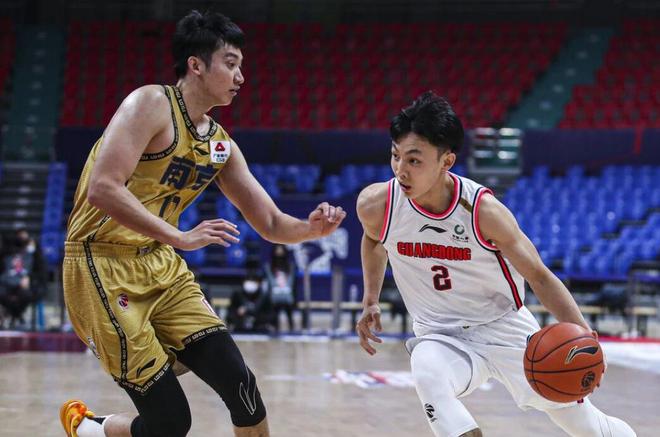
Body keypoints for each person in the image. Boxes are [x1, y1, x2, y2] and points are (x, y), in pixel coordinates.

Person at [59, 10, 346, 437]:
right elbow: (103, 187)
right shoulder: (150, 104)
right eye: (230, 63)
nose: (240, 76)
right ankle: (88, 429)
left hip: (160, 265)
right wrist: (179, 236)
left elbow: (270, 221)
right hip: (99, 264)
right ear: (196, 64)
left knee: (242, 386)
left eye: (241, 65)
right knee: (171, 423)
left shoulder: (219, 144)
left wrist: (311, 228)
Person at [355, 92, 636, 437]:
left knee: (586, 425)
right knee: (427, 372)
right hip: (439, 333)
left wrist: (585, 336)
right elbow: (374, 240)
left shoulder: (483, 212)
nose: (401, 170)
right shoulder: (378, 205)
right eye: (396, 156)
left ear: (446, 161)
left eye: (414, 160)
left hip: (503, 325)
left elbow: (539, 276)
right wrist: (370, 300)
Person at [0, 228, 46, 329]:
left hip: (24, 285)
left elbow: (39, 271)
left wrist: (29, 278)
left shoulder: (33, 253)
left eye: (24, 236)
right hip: (6, 283)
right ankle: (18, 316)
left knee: (26, 295)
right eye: (20, 236)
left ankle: (14, 316)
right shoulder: (7, 252)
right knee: (2, 294)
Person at [263, 244, 296, 332]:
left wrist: (293, 296)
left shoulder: (290, 266)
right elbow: (267, 282)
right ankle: (275, 330)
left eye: (281, 249)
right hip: (274, 295)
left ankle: (292, 331)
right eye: (277, 249)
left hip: (287, 294)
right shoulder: (269, 266)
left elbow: (293, 282)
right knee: (275, 316)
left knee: (290, 315)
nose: (279, 251)